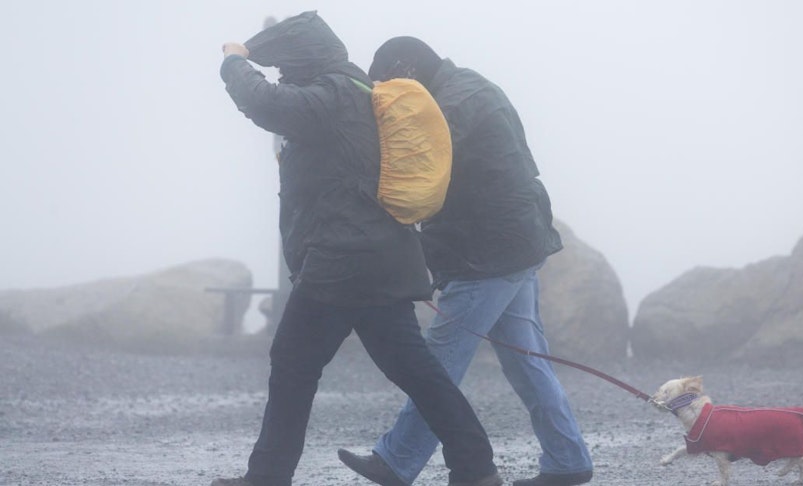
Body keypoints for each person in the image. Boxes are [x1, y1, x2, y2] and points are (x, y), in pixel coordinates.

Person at [212, 13, 502, 486]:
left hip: (343, 262)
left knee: (293, 364)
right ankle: (476, 467)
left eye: (289, 69)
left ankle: (267, 476)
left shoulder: (333, 94)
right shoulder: (350, 89)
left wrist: (233, 62)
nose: (286, 78)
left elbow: (264, 102)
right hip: (373, 261)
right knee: (415, 371)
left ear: (305, 61)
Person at [337, 37, 593, 486]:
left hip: (487, 254)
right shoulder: (470, 88)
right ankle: (568, 461)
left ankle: (397, 460)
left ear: (407, 71)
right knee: (527, 362)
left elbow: (416, 161)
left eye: (390, 83)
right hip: (519, 242)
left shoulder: (449, 106)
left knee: (439, 360)